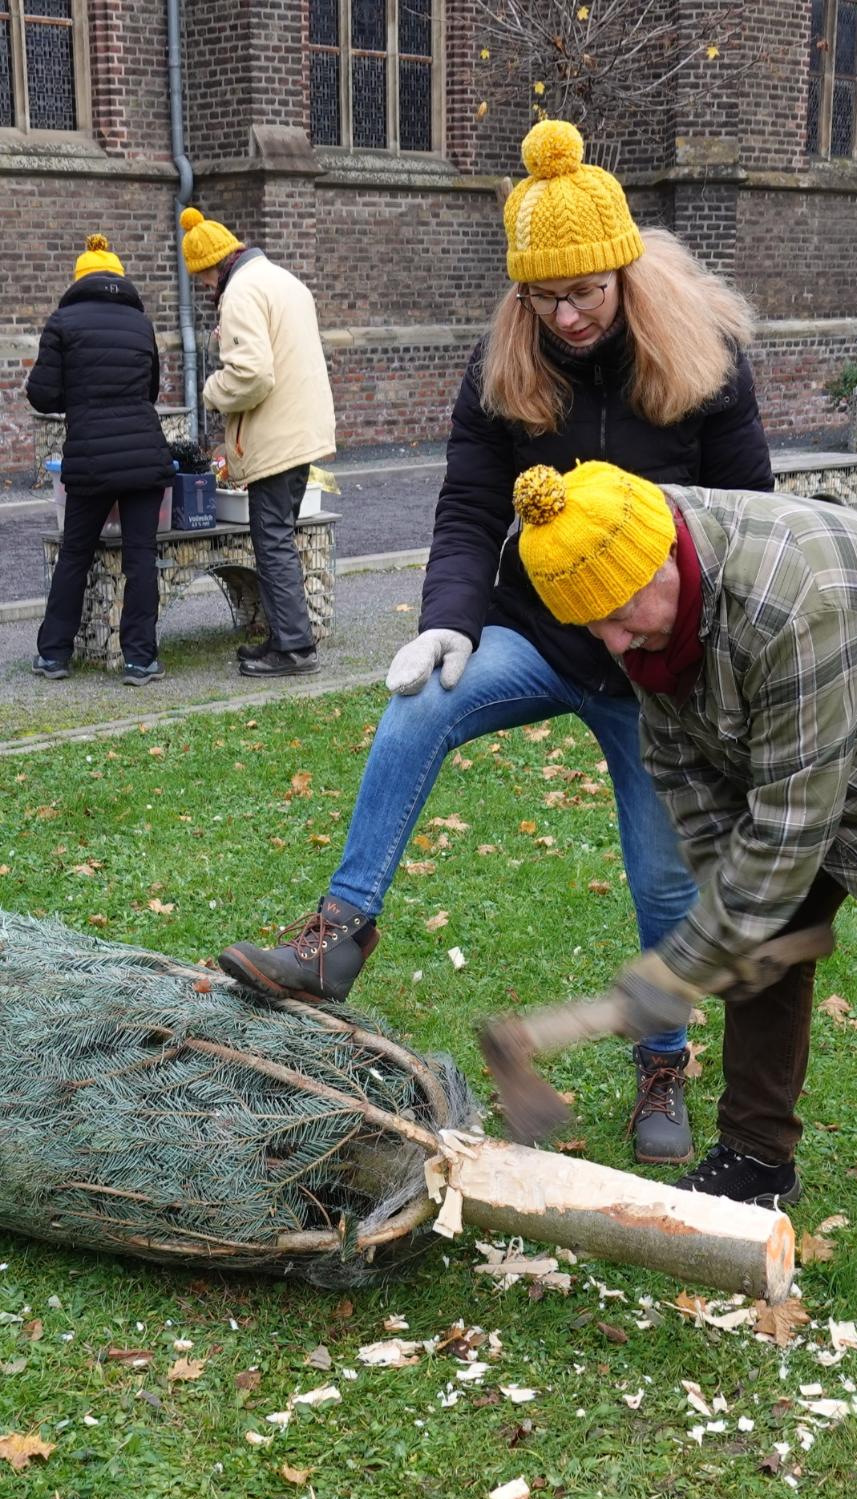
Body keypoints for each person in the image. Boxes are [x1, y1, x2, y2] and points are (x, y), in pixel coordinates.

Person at [218, 117, 775, 1166]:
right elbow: (470, 503)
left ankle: (660, 1060)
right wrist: (445, 620)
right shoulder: (505, 358)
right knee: (415, 708)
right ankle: (337, 935)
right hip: (535, 632)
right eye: (541, 296)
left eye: (584, 293)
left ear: (620, 273)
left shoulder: (702, 358)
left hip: (653, 667)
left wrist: (709, 660)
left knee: (661, 881)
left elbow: (749, 519)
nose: (564, 316)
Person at [509, 454, 857, 1203]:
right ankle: (756, 1160)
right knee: (752, 912)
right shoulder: (631, 561)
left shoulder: (793, 605)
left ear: (666, 561)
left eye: (621, 616)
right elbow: (682, 760)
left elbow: (788, 833)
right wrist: (728, 925)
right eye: (592, 627)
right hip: (820, 723)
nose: (615, 644)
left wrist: (680, 965)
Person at [180, 206, 335, 677]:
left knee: (272, 542)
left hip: (277, 436)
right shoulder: (281, 279)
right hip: (301, 429)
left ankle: (292, 649)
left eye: (202, 280)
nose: (205, 289)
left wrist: (211, 391)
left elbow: (252, 375)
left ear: (211, 266)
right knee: (278, 537)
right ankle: (285, 639)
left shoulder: (240, 293)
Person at [28, 233, 174, 686]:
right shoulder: (140, 323)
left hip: (90, 456)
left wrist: (80, 396)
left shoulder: (62, 322)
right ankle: (140, 660)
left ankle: (53, 655)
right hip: (143, 453)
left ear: (80, 280)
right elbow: (149, 390)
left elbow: (41, 394)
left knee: (75, 553)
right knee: (141, 557)